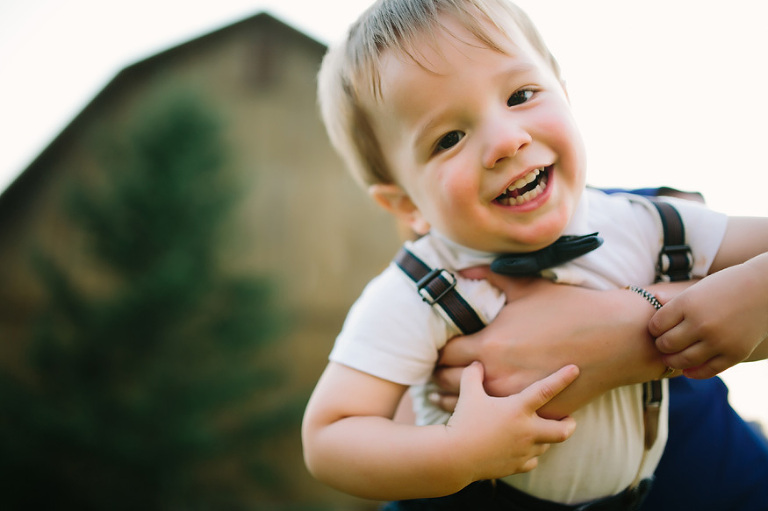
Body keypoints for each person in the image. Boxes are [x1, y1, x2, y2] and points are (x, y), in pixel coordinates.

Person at [301, 0, 768, 508]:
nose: (506, 140)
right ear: (406, 204)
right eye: (449, 138)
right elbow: (329, 436)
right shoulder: (419, 289)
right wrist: (456, 453)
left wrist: (752, 290)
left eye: (521, 95)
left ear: (565, 95)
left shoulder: (649, 224)